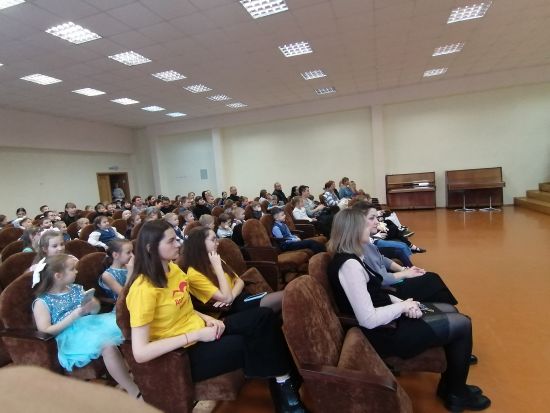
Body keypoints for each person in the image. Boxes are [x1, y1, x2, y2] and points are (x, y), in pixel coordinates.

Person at [125, 220, 305, 412]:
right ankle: (287, 394)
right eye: (171, 241)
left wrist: (208, 318)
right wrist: (196, 335)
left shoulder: (173, 269)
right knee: (250, 340)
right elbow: (140, 353)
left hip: (203, 330)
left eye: (176, 239)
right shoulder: (143, 290)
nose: (178, 244)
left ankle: (284, 382)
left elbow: (182, 307)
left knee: (264, 317)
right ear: (150, 248)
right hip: (184, 353)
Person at [327, 208, 490, 412]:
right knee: (462, 324)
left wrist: (404, 303)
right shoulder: (350, 266)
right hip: (384, 332)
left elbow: (376, 293)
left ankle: (449, 386)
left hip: (388, 317)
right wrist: (402, 307)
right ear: (353, 230)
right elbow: (368, 319)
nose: (372, 226)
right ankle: (457, 393)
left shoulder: (353, 256)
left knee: (450, 310)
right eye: (365, 224)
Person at [32, 254, 140, 397]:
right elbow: (46, 330)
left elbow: (94, 311)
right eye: (72, 269)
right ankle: (133, 390)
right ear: (58, 276)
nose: (77, 271)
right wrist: (74, 315)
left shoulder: (76, 288)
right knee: (107, 346)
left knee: (128, 326)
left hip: (91, 323)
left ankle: (137, 374)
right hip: (70, 335)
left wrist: (93, 306)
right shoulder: (42, 302)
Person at [352, 201, 458, 305]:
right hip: (387, 290)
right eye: (372, 218)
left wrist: (403, 269)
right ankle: (449, 310)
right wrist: (406, 274)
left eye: (376, 217)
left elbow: (382, 259)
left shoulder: (366, 242)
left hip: (390, 282)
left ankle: (448, 310)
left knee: (433, 282)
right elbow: (381, 279)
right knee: (432, 280)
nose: (377, 222)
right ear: (359, 221)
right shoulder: (360, 247)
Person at [180, 226, 283, 313]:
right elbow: (225, 298)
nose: (217, 243)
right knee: (283, 298)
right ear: (200, 244)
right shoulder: (194, 274)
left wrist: (232, 297)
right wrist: (218, 267)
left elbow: (240, 281)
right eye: (213, 239)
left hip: (239, 298)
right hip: (226, 310)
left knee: (282, 297)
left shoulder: (215, 259)